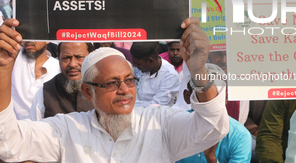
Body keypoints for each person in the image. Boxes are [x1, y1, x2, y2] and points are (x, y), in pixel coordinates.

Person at [0, 17, 229, 162]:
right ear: (89, 93)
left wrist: (198, 69)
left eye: (129, 80)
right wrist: (3, 68)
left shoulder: (159, 123)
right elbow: (8, 143)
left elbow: (213, 128)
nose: (124, 90)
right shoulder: (67, 129)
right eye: (111, 83)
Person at [177, 64, 252, 163]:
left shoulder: (239, 137)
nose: (210, 103)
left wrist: (211, 158)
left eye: (216, 96)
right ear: (188, 97)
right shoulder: (176, 126)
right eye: (203, 95)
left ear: (225, 98)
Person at [29, 42, 94, 121]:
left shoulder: (104, 89)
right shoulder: (45, 92)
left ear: (91, 57)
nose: (72, 64)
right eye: (66, 58)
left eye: (79, 57)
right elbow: (35, 130)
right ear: (58, 57)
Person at [11, 40, 61, 120]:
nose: (29, 40)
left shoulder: (59, 69)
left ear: (47, 40)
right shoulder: (13, 58)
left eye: (35, 33)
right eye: (25, 34)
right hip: (8, 129)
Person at [130, 42, 180, 107]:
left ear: (151, 61)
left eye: (138, 64)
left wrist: (130, 105)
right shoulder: (139, 69)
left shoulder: (170, 75)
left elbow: (156, 104)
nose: (135, 66)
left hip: (158, 115)